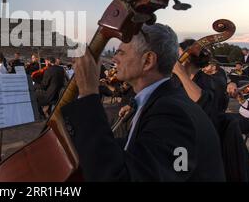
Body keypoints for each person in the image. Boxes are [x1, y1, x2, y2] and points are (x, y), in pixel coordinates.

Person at [61, 24, 225, 181]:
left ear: (148, 61)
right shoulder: (161, 102)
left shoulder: (171, 114)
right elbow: (138, 149)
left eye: (121, 53)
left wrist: (88, 92)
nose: (114, 58)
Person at [172, 39, 218, 121]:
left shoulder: (207, 81)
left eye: (177, 54)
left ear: (187, 58)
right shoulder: (175, 79)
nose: (175, 59)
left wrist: (180, 72)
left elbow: (202, 103)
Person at [227, 65, 249, 136]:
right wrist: (233, 84)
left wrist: (244, 102)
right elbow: (240, 84)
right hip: (241, 115)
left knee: (222, 122)